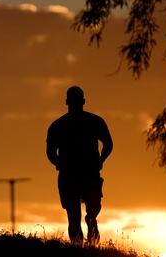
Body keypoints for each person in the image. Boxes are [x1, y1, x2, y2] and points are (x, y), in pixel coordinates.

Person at [46, 86, 113, 246]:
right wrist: (59, 163)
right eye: (73, 101)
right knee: (74, 216)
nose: (75, 104)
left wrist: (101, 159)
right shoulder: (59, 125)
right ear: (68, 102)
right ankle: (79, 248)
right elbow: (50, 153)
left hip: (88, 174)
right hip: (71, 175)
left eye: (77, 101)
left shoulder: (92, 122)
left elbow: (108, 144)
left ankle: (90, 247)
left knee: (90, 214)